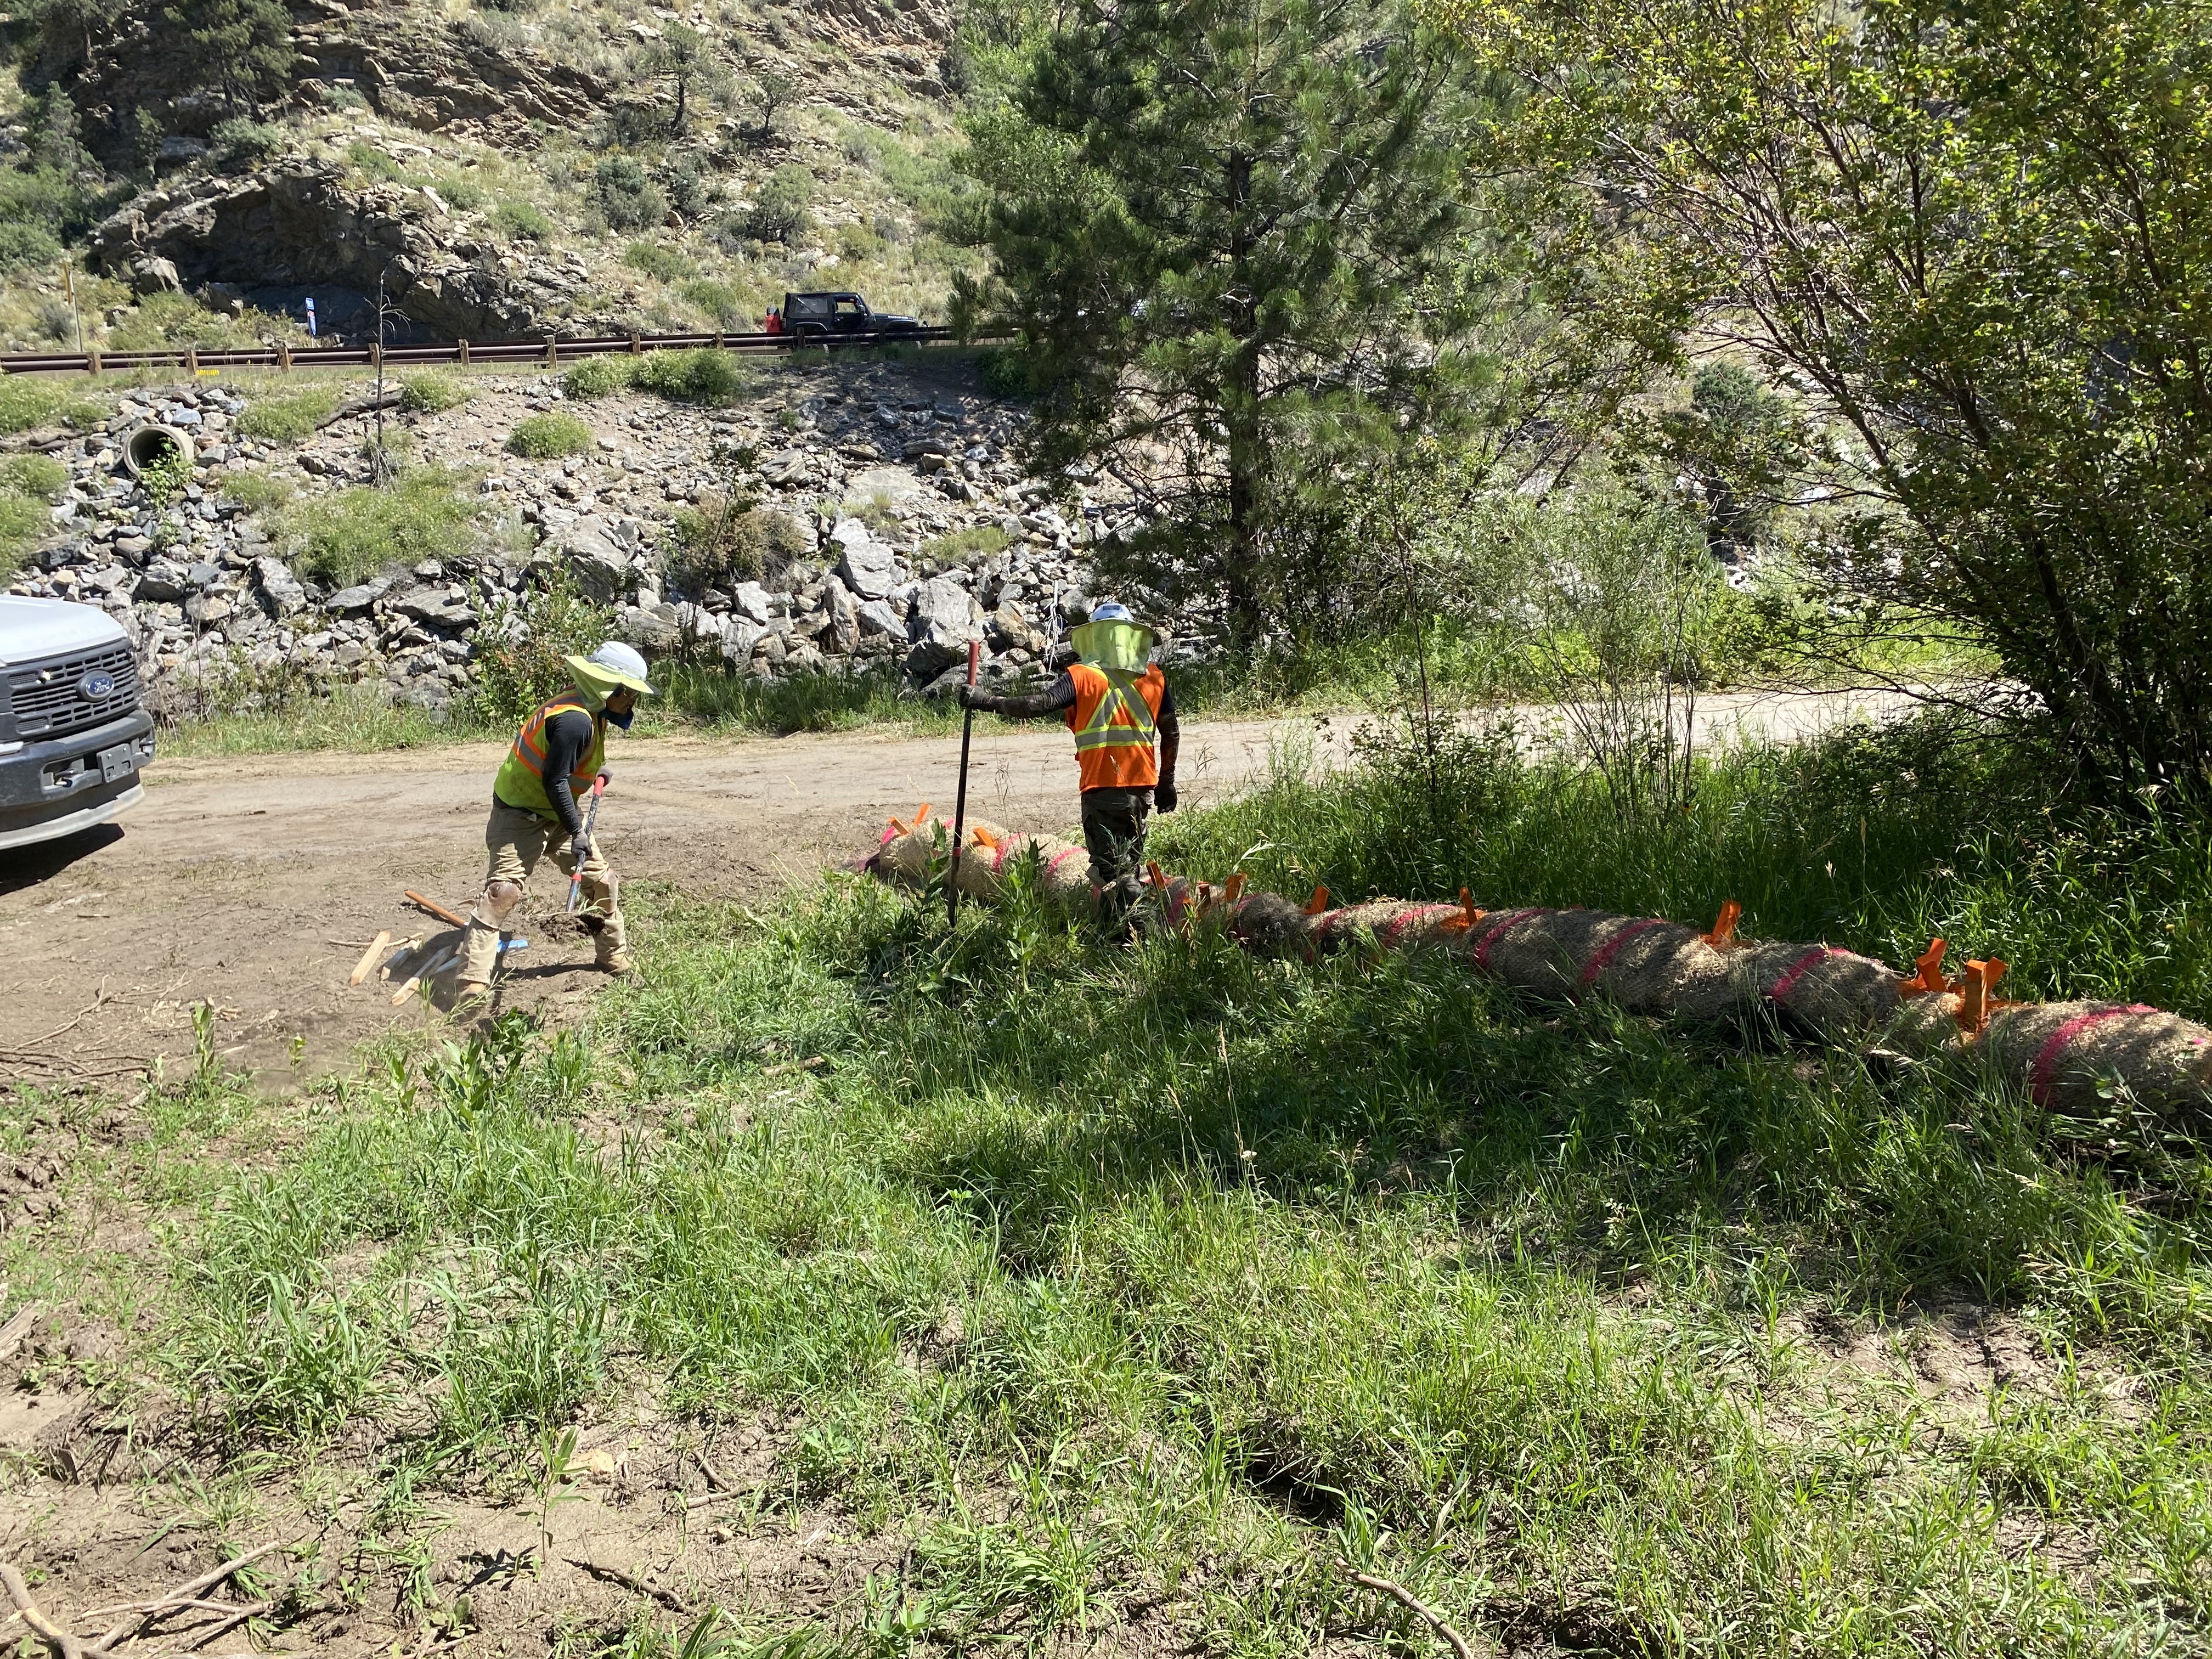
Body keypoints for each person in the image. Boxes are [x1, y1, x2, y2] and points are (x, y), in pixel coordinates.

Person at [454, 641, 656, 1003]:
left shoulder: (592, 710)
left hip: (557, 813)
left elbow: (567, 768)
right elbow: (554, 780)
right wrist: (578, 831)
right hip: (520, 814)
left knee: (604, 881)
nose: (632, 702)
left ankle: (612, 955)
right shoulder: (575, 720)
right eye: (627, 693)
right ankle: (473, 979)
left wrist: (594, 770)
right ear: (607, 687)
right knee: (504, 893)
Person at [957, 602, 1179, 929]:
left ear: (1094, 638)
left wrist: (985, 701)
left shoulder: (1082, 676)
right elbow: (1171, 732)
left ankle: (1145, 934)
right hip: (1141, 789)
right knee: (1126, 866)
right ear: (1131, 638)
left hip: (1103, 788)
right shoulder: (1153, 677)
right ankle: (1114, 934)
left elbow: (1037, 704)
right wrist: (1166, 782)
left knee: (1113, 873)